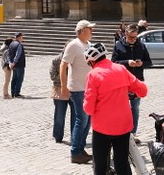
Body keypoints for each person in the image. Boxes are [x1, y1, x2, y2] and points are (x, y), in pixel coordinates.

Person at [84, 42, 148, 175]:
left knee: (100, 163)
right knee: (121, 161)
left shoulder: (93, 75)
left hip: (102, 127)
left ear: (92, 61)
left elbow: (89, 107)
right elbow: (143, 90)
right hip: (123, 125)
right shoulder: (120, 69)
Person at [61, 20, 95, 165]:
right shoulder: (73, 45)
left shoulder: (89, 45)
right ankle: (75, 152)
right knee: (81, 120)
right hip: (78, 88)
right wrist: (64, 86)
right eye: (89, 29)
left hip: (89, 88)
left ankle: (81, 149)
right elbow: (63, 65)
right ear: (82, 30)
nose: (92, 31)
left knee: (87, 121)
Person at [112, 23, 152, 141]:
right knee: (122, 108)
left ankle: (132, 133)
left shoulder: (141, 45)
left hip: (136, 81)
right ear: (125, 34)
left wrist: (142, 63)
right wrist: (127, 63)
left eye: (135, 37)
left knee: (135, 108)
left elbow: (149, 62)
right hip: (122, 82)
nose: (133, 40)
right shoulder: (118, 45)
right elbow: (113, 62)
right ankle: (121, 132)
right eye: (130, 37)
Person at [50, 50, 73, 144]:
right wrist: (65, 79)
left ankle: (75, 136)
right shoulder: (56, 60)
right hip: (60, 90)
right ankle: (58, 136)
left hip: (74, 90)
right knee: (59, 114)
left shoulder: (75, 60)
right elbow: (52, 76)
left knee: (76, 116)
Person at [6, 33, 26, 98]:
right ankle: (17, 93)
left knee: (14, 78)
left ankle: (13, 93)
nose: (22, 38)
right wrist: (14, 62)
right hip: (19, 64)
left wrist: (10, 63)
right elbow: (18, 54)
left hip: (13, 65)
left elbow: (8, 54)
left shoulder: (11, 44)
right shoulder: (19, 45)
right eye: (22, 37)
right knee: (19, 79)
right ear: (19, 37)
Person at [0, 35, 13, 99]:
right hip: (6, 66)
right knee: (7, 81)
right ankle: (5, 94)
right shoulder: (7, 50)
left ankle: (6, 93)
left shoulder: (4, 49)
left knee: (7, 80)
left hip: (4, 66)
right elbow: (7, 59)